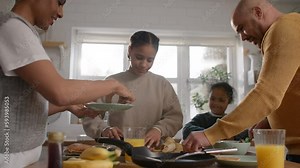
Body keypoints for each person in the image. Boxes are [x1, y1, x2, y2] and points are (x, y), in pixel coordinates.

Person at [0, 0, 135, 167]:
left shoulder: (22, 30)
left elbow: (18, 106)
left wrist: (68, 106)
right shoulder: (12, 27)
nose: (61, 13)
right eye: (60, 2)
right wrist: (114, 85)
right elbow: (60, 91)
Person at [182, 0, 300, 163]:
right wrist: (268, 121)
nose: (242, 36)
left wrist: (209, 135)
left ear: (258, 12)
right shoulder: (289, 29)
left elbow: (266, 94)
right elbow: (288, 89)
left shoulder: (284, 27)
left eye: (241, 28)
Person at [82, 31, 183, 148]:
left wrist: (159, 130)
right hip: (117, 151)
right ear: (129, 50)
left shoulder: (162, 84)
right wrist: (104, 129)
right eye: (139, 57)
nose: (144, 64)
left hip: (152, 153)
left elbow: (176, 118)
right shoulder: (111, 82)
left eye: (150, 60)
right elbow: (90, 116)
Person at [182, 82, 248, 140]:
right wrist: (210, 133)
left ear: (229, 101)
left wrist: (231, 135)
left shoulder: (230, 120)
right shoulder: (201, 118)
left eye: (221, 100)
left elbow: (244, 133)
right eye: (213, 99)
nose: (216, 103)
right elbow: (186, 129)